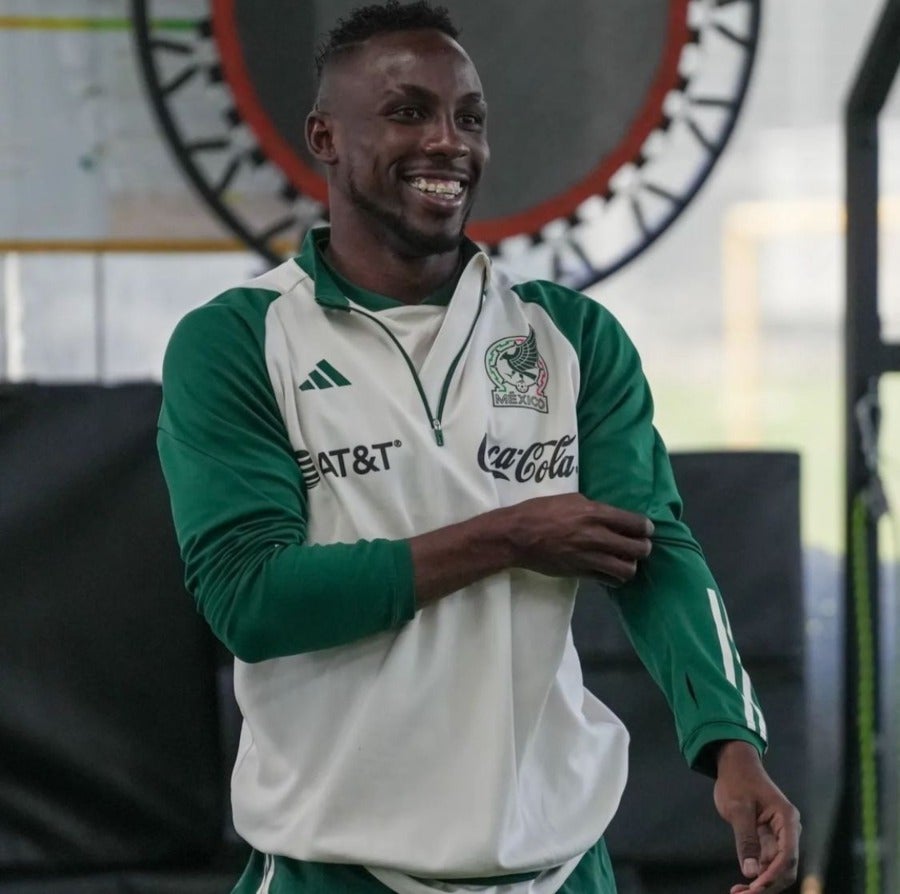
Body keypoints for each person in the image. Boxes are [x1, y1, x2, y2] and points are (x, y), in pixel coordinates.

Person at [157, 3, 801, 893]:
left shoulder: (571, 335)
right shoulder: (238, 340)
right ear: (325, 138)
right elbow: (250, 599)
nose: (448, 143)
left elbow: (654, 552)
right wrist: (508, 538)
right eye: (407, 111)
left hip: (559, 861)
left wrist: (730, 743)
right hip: (334, 864)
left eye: (469, 117)